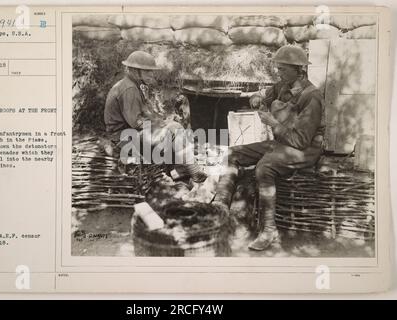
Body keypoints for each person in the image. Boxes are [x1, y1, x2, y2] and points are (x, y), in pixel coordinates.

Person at [212, 45, 326, 251]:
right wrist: (256, 98)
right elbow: (262, 94)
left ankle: (269, 230)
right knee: (232, 153)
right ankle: (220, 206)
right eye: (278, 68)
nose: (278, 72)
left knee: (264, 167)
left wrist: (273, 123)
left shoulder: (312, 96)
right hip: (283, 143)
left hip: (305, 150)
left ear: (299, 70)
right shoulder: (282, 86)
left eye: (282, 69)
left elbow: (301, 141)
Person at [104, 50, 206, 182]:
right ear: (135, 71)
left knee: (173, 128)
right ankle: (194, 171)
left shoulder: (132, 86)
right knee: (175, 130)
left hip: (129, 134)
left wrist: (162, 122)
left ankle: (178, 172)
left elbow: (146, 113)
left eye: (151, 71)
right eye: (147, 71)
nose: (151, 75)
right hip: (123, 139)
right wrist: (164, 128)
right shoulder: (129, 89)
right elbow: (137, 122)